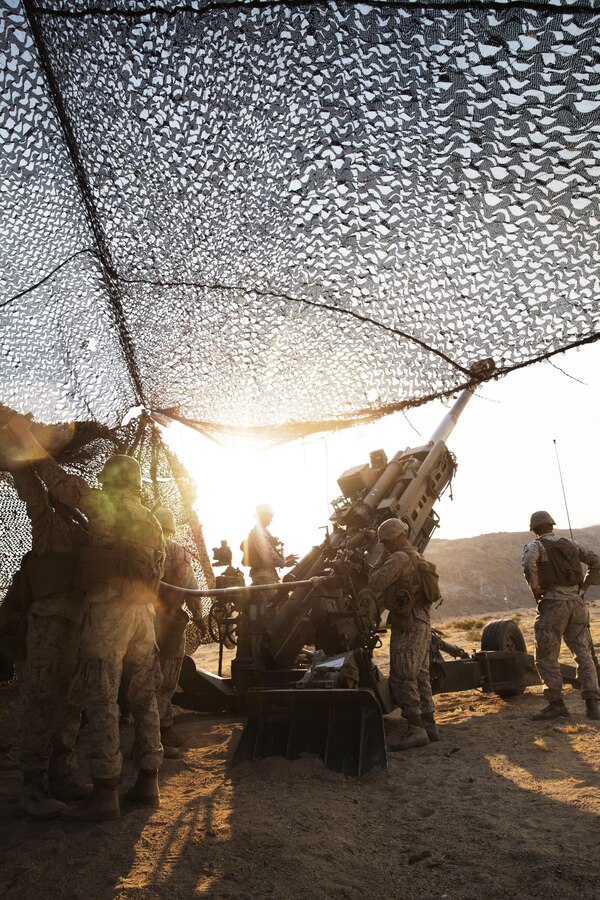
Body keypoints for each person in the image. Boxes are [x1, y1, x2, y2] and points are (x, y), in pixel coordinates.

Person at [6, 413, 166, 821]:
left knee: (100, 695)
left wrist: (26, 440)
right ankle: (148, 780)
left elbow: (58, 482)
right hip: (143, 613)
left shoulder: (102, 506)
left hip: (109, 611)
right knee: (143, 694)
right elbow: (157, 571)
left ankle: (106, 792)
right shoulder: (151, 521)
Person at [7, 461, 90, 819]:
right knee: (42, 700)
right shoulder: (46, 520)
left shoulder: (84, 531)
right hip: (49, 627)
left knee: (70, 703)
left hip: (77, 624)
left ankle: (61, 775)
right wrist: (20, 456)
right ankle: (33, 788)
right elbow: (31, 492)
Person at [368, 518, 439, 751]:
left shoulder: (398, 558)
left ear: (398, 538)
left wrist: (380, 560)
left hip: (407, 622)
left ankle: (416, 729)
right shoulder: (417, 557)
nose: (385, 546)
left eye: (386, 541)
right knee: (420, 674)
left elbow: (375, 582)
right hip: (422, 620)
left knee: (401, 676)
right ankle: (429, 725)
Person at [523, 510, 600, 721]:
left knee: (546, 655)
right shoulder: (572, 544)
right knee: (583, 653)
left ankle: (556, 704)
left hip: (553, 605)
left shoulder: (536, 546)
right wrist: (583, 588)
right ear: (551, 525)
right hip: (577, 604)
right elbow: (596, 561)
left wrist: (535, 589)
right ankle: (593, 704)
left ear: (534, 530)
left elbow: (528, 564)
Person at [153, 506, 203, 756]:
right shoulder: (175, 550)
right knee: (167, 677)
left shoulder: (141, 548)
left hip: (142, 618)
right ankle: (162, 730)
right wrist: (198, 616)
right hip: (169, 621)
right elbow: (190, 587)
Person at [242, 504, 298, 590]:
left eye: (270, 515)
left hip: (266, 576)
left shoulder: (262, 531)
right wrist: (284, 563)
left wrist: (285, 560)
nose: (270, 518)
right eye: (267, 515)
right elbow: (268, 555)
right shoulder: (259, 532)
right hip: (264, 578)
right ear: (260, 516)